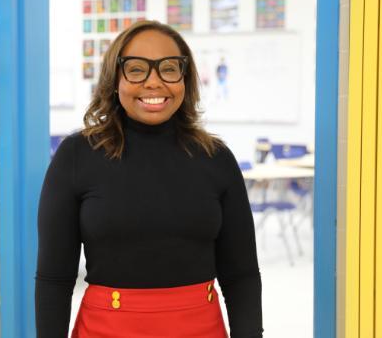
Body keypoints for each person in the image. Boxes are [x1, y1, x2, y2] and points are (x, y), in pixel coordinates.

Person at [36, 20, 263, 338]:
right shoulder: (76, 155)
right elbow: (54, 278)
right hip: (105, 330)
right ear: (114, 79)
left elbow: (241, 275)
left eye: (169, 68)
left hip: (200, 329)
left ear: (185, 78)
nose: (154, 82)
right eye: (136, 69)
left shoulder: (216, 158)